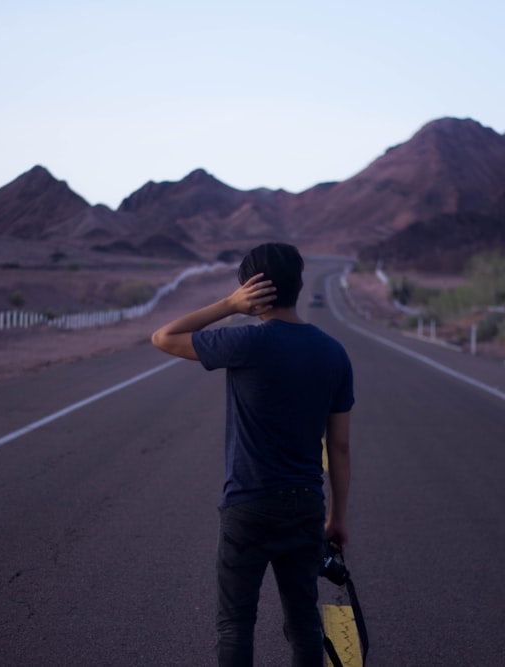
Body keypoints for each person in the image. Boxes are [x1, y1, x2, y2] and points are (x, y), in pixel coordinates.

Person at [151, 243, 354, 667]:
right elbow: (339, 446)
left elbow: (163, 337)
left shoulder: (245, 343)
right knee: (303, 624)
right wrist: (336, 517)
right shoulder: (334, 353)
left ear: (250, 291)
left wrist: (228, 305)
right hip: (304, 505)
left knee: (235, 624)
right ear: (300, 284)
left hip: (248, 503)